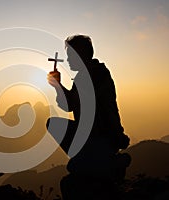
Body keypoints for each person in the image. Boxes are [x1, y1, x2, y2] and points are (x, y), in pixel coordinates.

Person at [46, 35, 131, 199]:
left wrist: (59, 86)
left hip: (102, 135)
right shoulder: (82, 76)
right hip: (86, 135)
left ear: (82, 54)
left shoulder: (98, 74)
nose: (68, 59)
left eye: (71, 54)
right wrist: (57, 87)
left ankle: (109, 163)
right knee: (54, 124)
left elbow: (79, 103)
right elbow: (69, 106)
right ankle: (93, 160)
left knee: (76, 171)